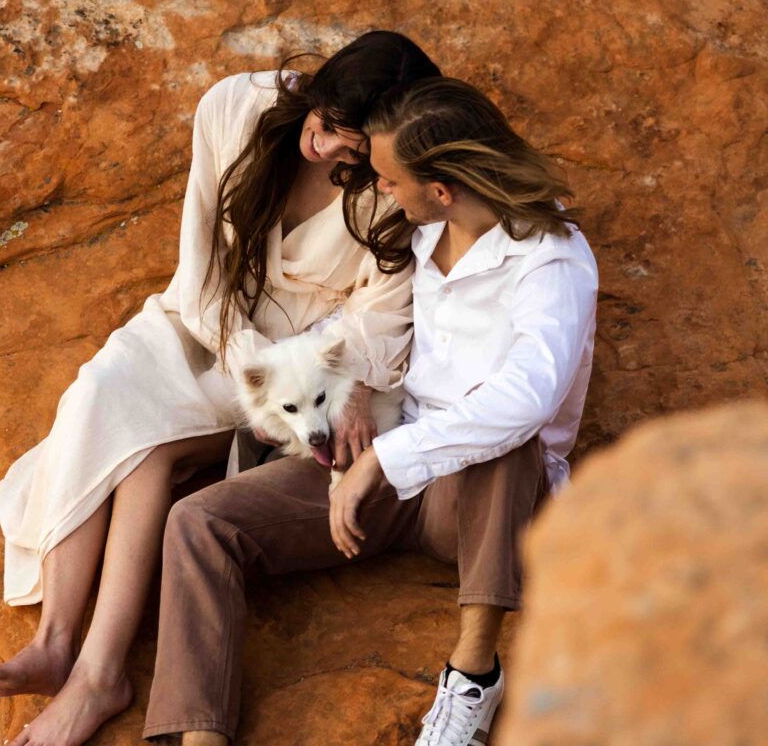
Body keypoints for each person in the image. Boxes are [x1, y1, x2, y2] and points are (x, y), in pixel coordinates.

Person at [0, 31, 441, 746]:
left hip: (298, 363)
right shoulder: (235, 108)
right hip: (204, 321)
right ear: (315, 94)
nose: (322, 152)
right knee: (102, 389)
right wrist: (245, 351)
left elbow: (381, 315)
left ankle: (93, 668)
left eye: (348, 147)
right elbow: (199, 278)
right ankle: (59, 643)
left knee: (147, 448)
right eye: (322, 129)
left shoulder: (390, 183)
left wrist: (342, 381)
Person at [141, 76, 598, 746]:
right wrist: (356, 402)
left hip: (475, 502)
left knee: (510, 433)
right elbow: (367, 324)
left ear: (440, 190)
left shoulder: (549, 260)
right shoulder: (419, 232)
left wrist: (383, 459)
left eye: (388, 179)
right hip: (386, 462)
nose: (376, 189)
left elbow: (528, 398)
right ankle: (199, 734)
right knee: (199, 521)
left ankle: (472, 677)